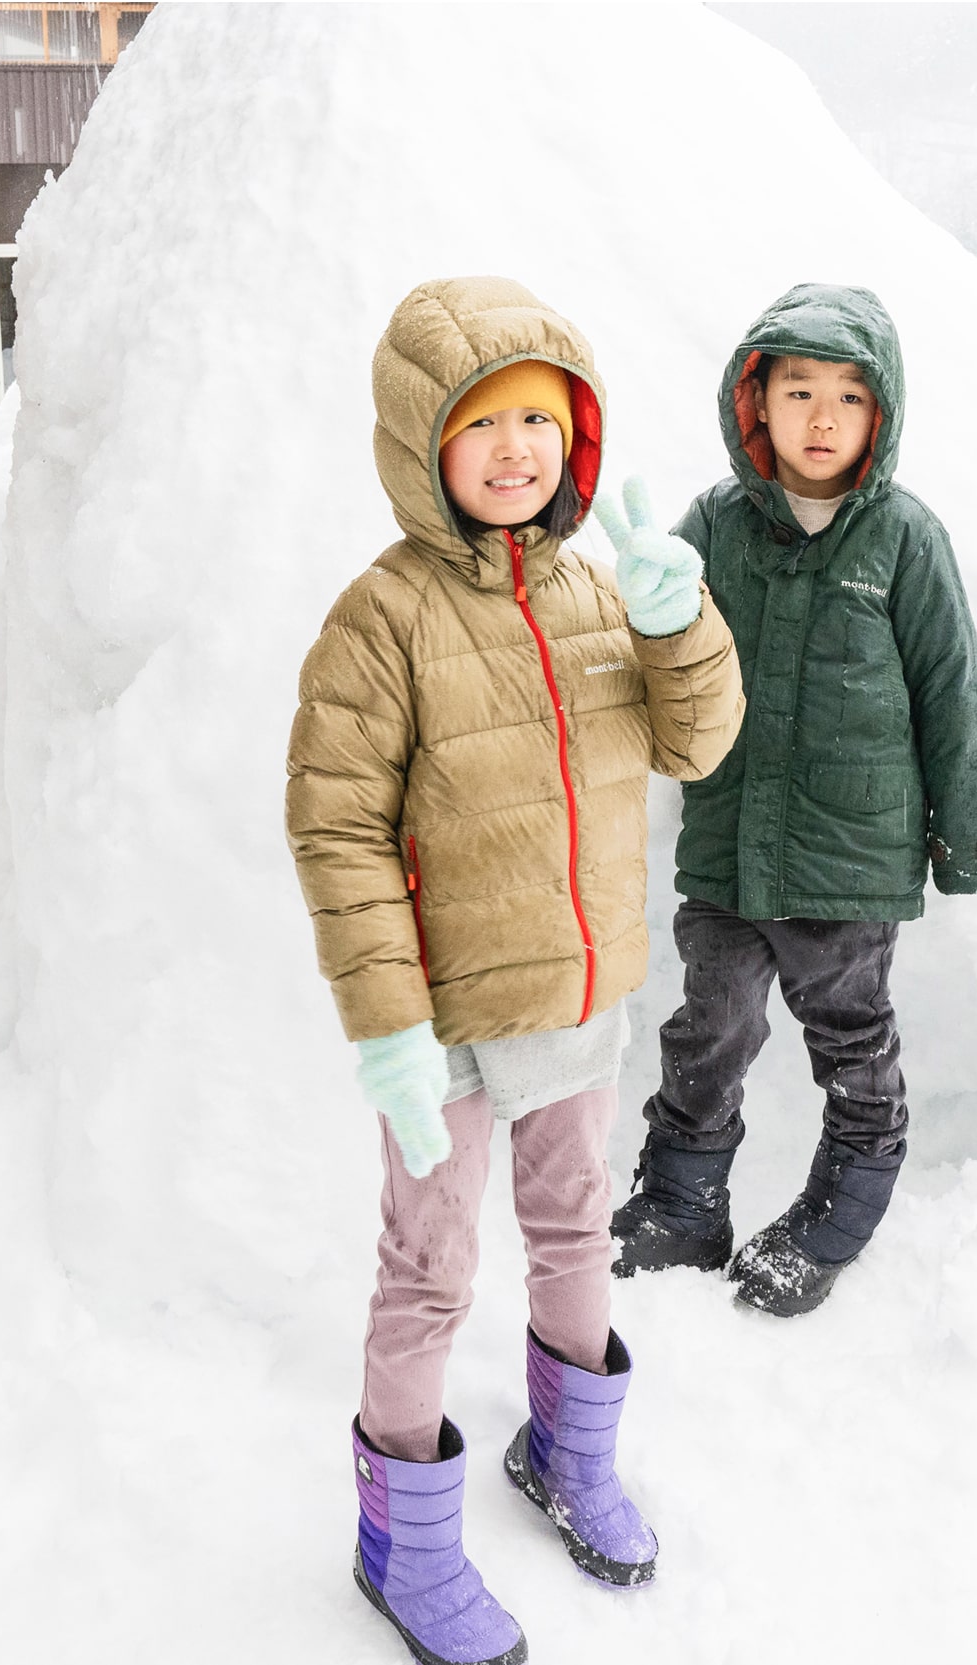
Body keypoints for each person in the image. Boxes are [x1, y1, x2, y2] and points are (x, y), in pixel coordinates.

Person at [287, 275, 743, 1665]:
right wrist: (386, 1031)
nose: (514, 451)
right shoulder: (383, 620)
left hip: (583, 1002)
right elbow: (337, 822)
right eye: (481, 424)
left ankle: (568, 1452)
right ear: (424, 442)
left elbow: (696, 744)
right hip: (448, 1029)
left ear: (575, 437)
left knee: (572, 1229)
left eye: (538, 420)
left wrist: (684, 624)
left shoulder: (602, 591)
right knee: (427, 1272)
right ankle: (402, 1539)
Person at [605, 283, 977, 1317]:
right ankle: (683, 1202)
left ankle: (842, 1210)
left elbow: (952, 692)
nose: (822, 419)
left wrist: (966, 845)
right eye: (798, 391)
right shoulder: (715, 524)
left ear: (882, 414)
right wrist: (646, 613)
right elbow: (665, 656)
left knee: (851, 1037)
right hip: (732, 845)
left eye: (849, 398)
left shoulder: (905, 538)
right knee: (710, 1028)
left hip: (851, 855)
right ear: (757, 403)